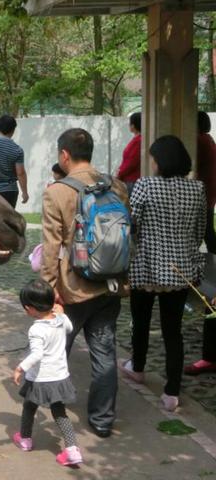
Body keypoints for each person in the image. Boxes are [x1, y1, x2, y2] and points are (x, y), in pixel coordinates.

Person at [41, 128, 129, 438]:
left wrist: (48, 288)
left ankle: (53, 409)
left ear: (64, 155)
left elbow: (52, 246)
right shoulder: (116, 187)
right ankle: (103, 420)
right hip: (110, 284)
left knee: (55, 350)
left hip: (73, 287)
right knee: (104, 353)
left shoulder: (57, 192)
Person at [119, 135, 206, 412]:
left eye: (153, 158)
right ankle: (171, 393)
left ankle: (138, 367)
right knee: (173, 331)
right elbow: (199, 230)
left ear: (160, 160)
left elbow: (134, 223)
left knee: (141, 322)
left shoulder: (145, 185)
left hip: (146, 266)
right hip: (180, 271)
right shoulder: (197, 189)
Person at [12, 279, 82, 467]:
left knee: (29, 406)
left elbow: (37, 354)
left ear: (29, 308)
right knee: (59, 412)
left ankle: (25, 439)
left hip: (40, 378)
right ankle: (72, 449)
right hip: (59, 376)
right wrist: (62, 314)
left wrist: (20, 368)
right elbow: (70, 328)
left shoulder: (36, 329)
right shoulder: (60, 320)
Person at [196, 111, 216, 254]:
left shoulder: (199, 140)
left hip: (204, 187)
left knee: (205, 226)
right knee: (206, 224)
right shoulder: (209, 139)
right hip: (210, 186)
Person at [116, 112, 142, 195]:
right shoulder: (138, 139)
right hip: (130, 179)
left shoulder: (138, 141)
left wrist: (120, 173)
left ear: (133, 125)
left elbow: (131, 162)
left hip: (132, 180)